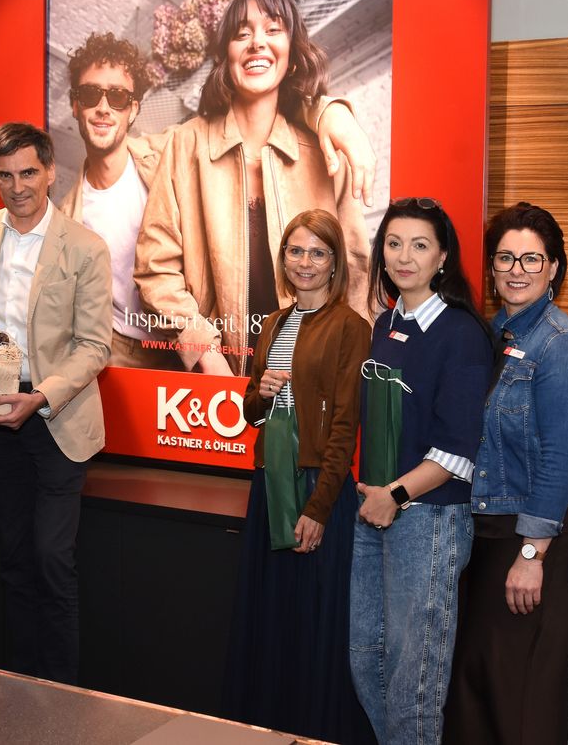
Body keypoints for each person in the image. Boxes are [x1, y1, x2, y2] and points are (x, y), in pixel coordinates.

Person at [55, 31, 376, 372]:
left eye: (117, 97)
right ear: (75, 105)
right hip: (126, 355)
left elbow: (260, 113)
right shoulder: (65, 218)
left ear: (133, 108)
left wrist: (331, 112)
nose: (103, 107)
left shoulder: (176, 151)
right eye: (90, 95)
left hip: (207, 348)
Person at [135, 0, 372, 377]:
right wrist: (206, 353)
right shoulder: (184, 144)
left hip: (309, 379)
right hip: (214, 382)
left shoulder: (328, 153)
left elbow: (355, 272)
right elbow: (155, 269)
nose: (256, 43)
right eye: (241, 33)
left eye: (273, 29)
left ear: (292, 56)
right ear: (226, 57)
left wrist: (342, 368)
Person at [443, 203, 568, 745]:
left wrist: (532, 555)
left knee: (520, 695)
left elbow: (562, 462)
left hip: (536, 541)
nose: (517, 269)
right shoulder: (490, 335)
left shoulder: (564, 348)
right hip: (487, 532)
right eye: (505, 257)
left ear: (554, 267)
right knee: (477, 683)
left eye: (531, 259)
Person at [222, 209, 374, 744]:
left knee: (313, 621)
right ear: (282, 258)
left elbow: (344, 427)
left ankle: (314, 731)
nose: (304, 262)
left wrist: (319, 508)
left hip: (315, 491)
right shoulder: (273, 323)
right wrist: (257, 394)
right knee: (273, 617)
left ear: (335, 263)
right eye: (295, 251)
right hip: (270, 485)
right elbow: (252, 415)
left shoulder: (352, 328)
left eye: (317, 253)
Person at [0, 122, 114, 685]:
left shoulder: (84, 246)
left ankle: (61, 694)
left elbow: (95, 345)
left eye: (28, 172)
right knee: (13, 560)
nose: (17, 185)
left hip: (59, 419)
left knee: (54, 561)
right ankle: (20, 683)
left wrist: (41, 397)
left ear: (51, 171)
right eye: (4, 175)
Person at [349, 197, 493, 745]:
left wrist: (398, 494)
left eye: (420, 245)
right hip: (374, 512)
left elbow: (461, 450)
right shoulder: (387, 323)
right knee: (368, 657)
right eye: (393, 243)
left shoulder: (460, 334)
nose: (403, 256)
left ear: (443, 258)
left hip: (426, 519)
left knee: (415, 677)